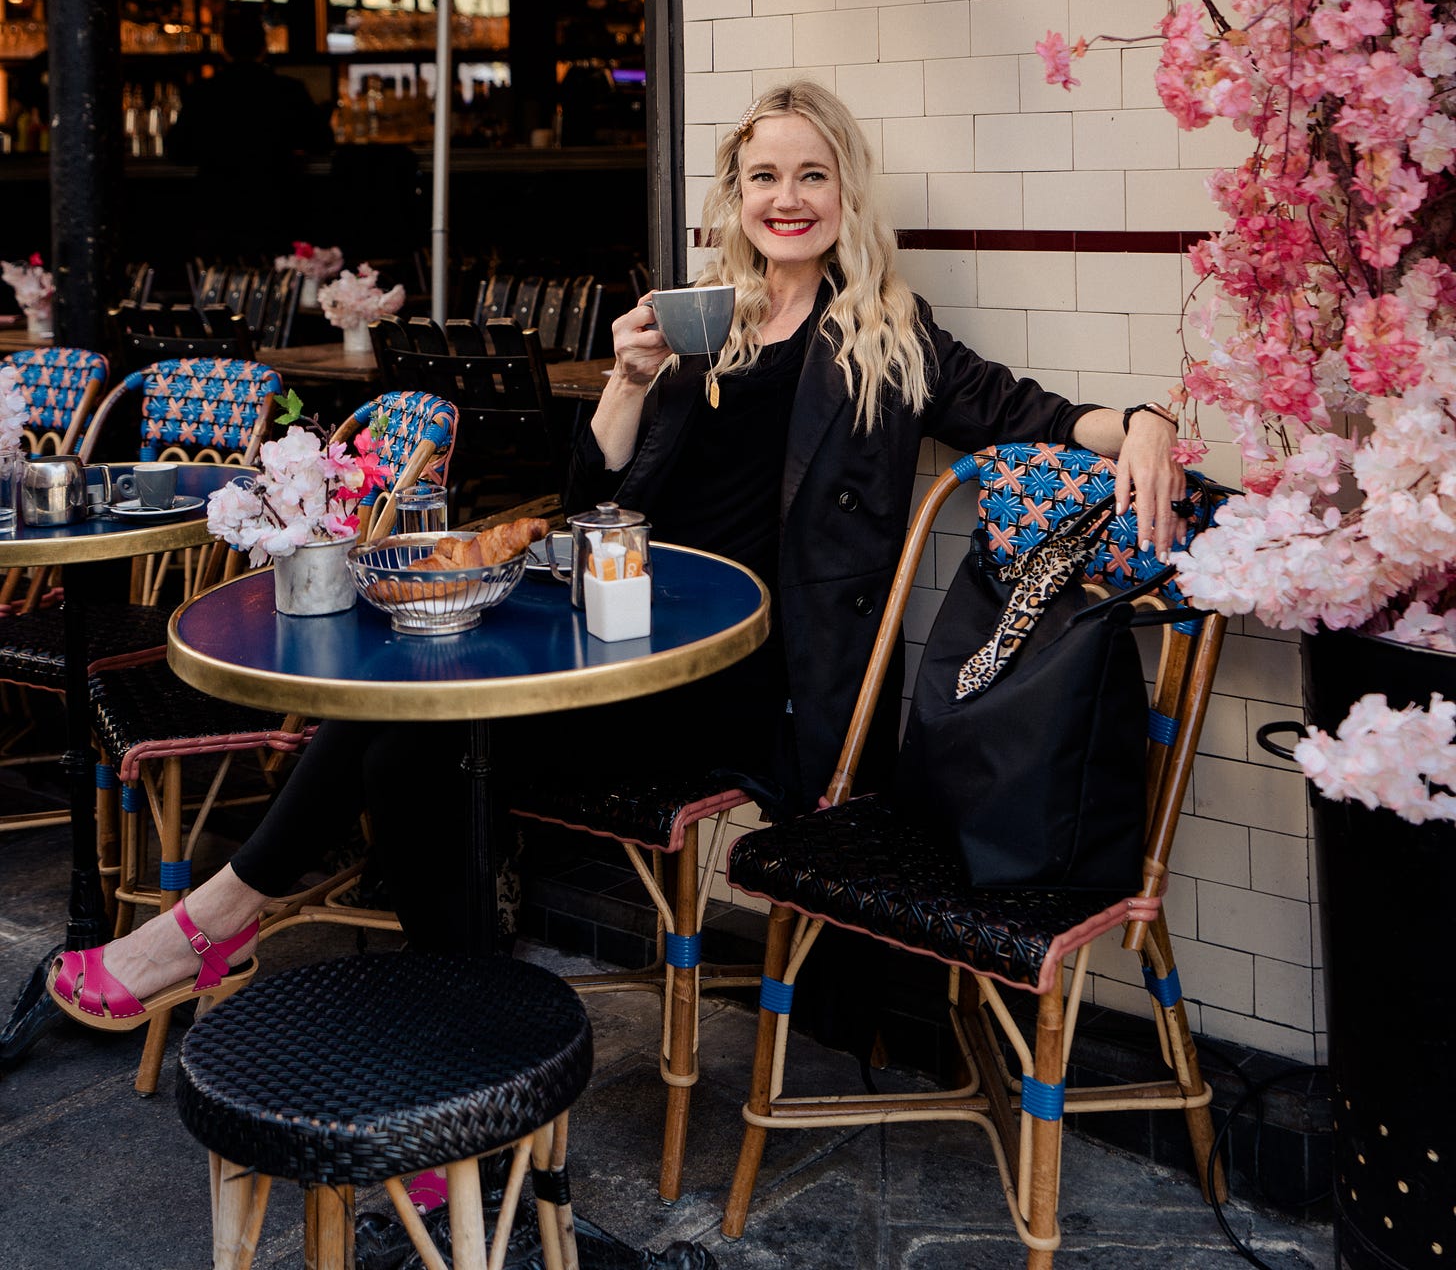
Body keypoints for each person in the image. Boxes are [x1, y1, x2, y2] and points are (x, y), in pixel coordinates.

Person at [48, 80, 1182, 1027]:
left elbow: (1025, 410)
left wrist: (1137, 422)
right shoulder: (699, 323)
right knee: (403, 733)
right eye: (763, 178)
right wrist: (627, 385)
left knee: (414, 741)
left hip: (747, 680)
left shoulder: (886, 335)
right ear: (733, 200)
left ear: (845, 194)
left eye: (811, 175)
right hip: (621, 631)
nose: (786, 199)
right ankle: (451, 1045)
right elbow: (594, 500)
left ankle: (217, 932)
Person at [169, 5, 333, 258]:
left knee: (219, 279)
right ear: (264, 48)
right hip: (277, 208)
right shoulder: (288, 91)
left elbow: (177, 151)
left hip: (217, 210)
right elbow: (322, 142)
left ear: (223, 49)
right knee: (279, 282)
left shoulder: (203, 93)